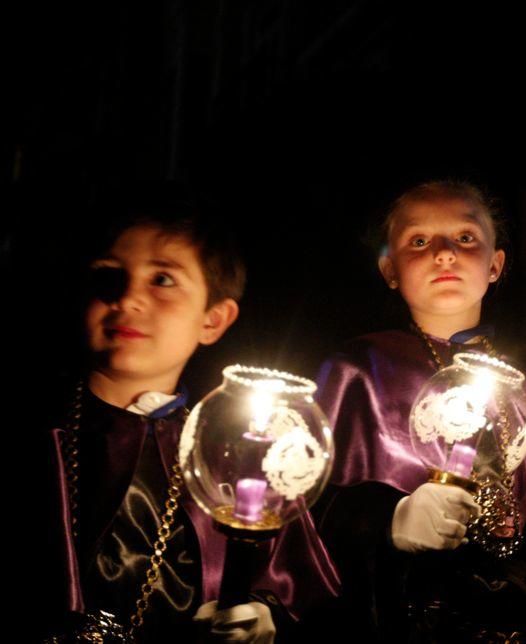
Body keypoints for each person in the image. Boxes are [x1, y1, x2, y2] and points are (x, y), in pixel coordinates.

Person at [313, 180, 526, 642]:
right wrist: (385, 521)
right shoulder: (357, 376)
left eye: (464, 238)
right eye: (419, 241)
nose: (444, 254)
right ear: (390, 269)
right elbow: (302, 520)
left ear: (495, 264)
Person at [19, 187, 337, 642]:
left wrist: (266, 616)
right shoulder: (24, 432)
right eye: (109, 274)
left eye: (163, 280)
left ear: (213, 320)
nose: (128, 299)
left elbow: (296, 589)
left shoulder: (226, 458)